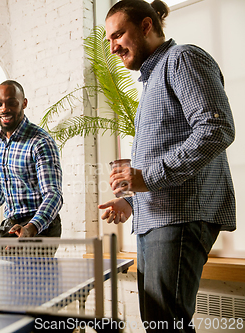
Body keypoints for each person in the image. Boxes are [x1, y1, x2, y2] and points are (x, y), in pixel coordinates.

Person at [98, 1, 235, 332]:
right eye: (109, 39)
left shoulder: (182, 58)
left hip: (181, 216)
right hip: (159, 217)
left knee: (165, 325)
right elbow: (169, 151)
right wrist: (130, 201)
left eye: (119, 34)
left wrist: (146, 176)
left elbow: (217, 130)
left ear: (146, 26)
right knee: (159, 323)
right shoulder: (152, 80)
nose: (113, 47)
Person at [0, 80, 63, 253]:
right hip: (10, 225)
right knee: (5, 279)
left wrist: (32, 227)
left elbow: (54, 195)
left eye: (11, 103)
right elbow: (1, 186)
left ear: (24, 103)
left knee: (33, 280)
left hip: (39, 228)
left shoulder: (40, 142)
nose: (4, 109)